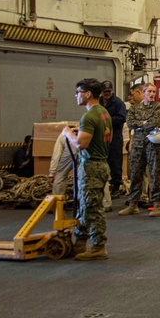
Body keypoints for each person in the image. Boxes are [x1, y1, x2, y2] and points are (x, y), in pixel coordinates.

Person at [62, 78, 113, 261]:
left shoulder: (89, 116)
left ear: (88, 94)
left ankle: (99, 246)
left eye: (78, 92)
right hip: (100, 163)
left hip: (91, 166)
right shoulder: (103, 113)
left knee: (92, 207)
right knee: (84, 205)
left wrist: (67, 133)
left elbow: (81, 144)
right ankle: (81, 241)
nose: (76, 96)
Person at [120, 83, 160, 217]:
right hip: (138, 145)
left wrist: (140, 125)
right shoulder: (134, 108)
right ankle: (133, 204)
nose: (152, 94)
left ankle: (157, 204)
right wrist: (144, 123)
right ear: (144, 93)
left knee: (154, 174)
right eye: (149, 91)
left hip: (153, 144)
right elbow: (130, 123)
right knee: (135, 174)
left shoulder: (158, 106)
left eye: (154, 92)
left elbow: (155, 122)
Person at [99, 81, 127, 197]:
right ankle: (105, 185)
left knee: (115, 161)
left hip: (115, 136)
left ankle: (116, 185)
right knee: (103, 160)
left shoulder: (118, 103)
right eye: (105, 92)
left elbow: (122, 118)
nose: (107, 93)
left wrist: (107, 120)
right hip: (102, 137)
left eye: (109, 91)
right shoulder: (99, 101)